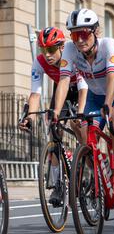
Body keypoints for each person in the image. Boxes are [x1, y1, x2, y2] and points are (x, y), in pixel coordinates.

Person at [53, 9, 114, 204]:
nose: (79, 40)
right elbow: (64, 81)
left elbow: (112, 77)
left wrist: (108, 104)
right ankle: (102, 168)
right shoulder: (70, 50)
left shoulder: (108, 45)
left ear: (95, 32)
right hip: (93, 98)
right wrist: (56, 112)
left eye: (83, 34)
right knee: (83, 130)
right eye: (74, 35)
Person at [18, 26, 88, 205]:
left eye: (51, 49)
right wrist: (30, 118)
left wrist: (80, 114)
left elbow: (83, 89)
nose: (47, 54)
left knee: (80, 126)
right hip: (62, 90)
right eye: (43, 49)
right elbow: (35, 94)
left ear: (61, 47)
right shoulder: (39, 62)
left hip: (83, 89)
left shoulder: (73, 57)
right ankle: (58, 183)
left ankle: (89, 166)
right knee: (54, 128)